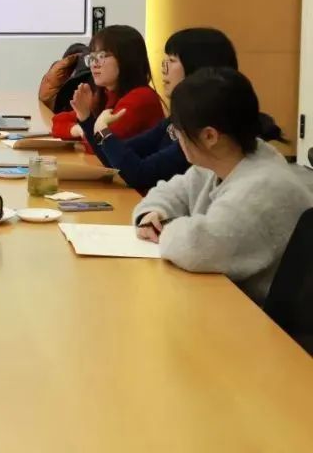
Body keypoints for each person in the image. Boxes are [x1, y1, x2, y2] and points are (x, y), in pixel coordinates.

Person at [133, 68, 312, 305]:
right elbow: (171, 191)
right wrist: (151, 213)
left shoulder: (262, 188)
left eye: (177, 132)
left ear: (209, 136)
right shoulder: (220, 162)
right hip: (229, 299)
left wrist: (164, 227)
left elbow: (198, 248)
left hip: (257, 316)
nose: (177, 138)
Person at [84, 28, 284, 192]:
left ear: (196, 67)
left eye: (171, 61)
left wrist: (103, 131)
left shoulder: (206, 128)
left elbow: (140, 174)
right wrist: (90, 123)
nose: (163, 69)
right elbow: (118, 158)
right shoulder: (179, 118)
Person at [51, 25, 164, 141]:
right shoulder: (105, 95)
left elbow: (101, 143)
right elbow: (57, 123)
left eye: (102, 56)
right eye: (92, 57)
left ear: (126, 58)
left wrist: (85, 120)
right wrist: (79, 129)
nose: (94, 64)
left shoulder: (140, 98)